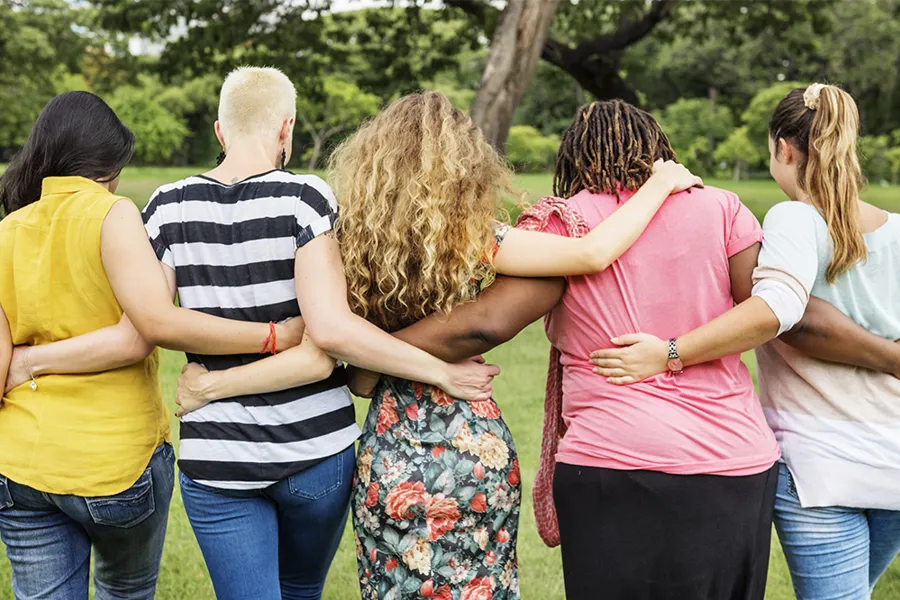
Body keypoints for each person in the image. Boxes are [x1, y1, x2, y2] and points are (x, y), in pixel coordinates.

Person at [169, 90, 700, 599]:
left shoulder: (346, 242)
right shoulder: (473, 237)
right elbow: (591, 253)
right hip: (472, 442)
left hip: (391, 449)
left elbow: (342, 355)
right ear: (466, 163)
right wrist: (659, 184)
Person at [3, 72, 499, 600]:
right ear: (286, 127)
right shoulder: (307, 197)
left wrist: (206, 386)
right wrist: (442, 371)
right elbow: (329, 333)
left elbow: (150, 321)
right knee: (301, 589)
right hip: (316, 450)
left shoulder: (166, 207)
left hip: (217, 457)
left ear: (220, 131)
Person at [591, 84, 900, 600]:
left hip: (819, 467)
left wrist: (669, 352)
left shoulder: (793, 219)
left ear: (784, 149)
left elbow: (779, 309)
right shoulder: (897, 231)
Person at [0, 91, 311, 600]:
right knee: (126, 590)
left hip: (19, 468)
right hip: (112, 463)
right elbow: (143, 330)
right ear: (108, 163)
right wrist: (273, 335)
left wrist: (29, 363)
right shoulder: (112, 213)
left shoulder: (7, 230)